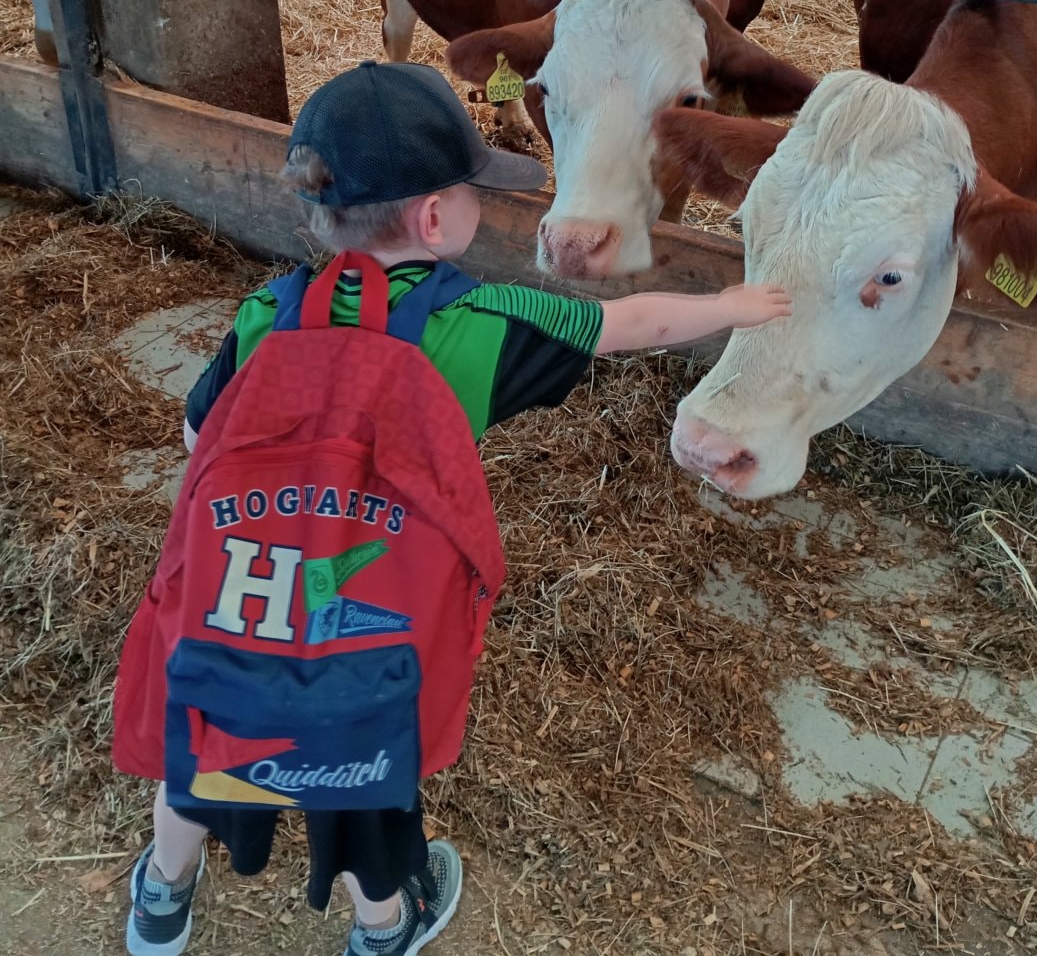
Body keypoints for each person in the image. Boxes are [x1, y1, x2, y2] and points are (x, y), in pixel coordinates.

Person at [115, 61, 791, 956]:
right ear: (436, 219)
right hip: (363, 628)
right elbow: (628, 326)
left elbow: (198, 432)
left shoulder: (268, 311)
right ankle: (382, 927)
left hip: (237, 604)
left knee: (199, 749)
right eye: (475, 190)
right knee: (360, 783)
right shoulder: (474, 326)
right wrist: (733, 305)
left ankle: (161, 898)